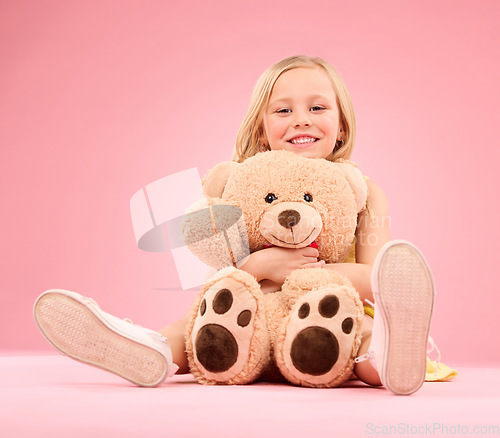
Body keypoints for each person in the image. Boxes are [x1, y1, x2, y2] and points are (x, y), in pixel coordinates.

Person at [34, 55, 437, 395]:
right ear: (261, 131)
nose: (301, 120)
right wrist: (260, 267)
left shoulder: (364, 192)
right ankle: (147, 350)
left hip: (321, 331)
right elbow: (215, 277)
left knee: (362, 331)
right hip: (247, 331)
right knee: (189, 326)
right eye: (283, 110)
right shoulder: (242, 185)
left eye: (317, 108)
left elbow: (380, 276)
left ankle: (387, 360)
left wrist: (304, 272)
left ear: (342, 125)